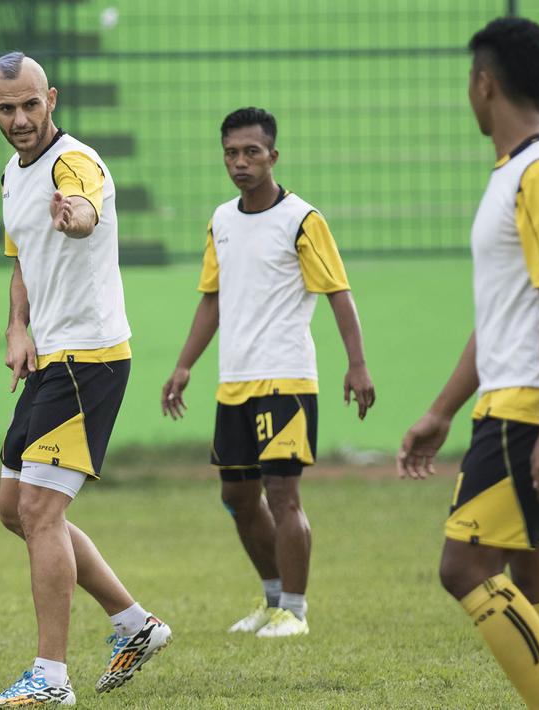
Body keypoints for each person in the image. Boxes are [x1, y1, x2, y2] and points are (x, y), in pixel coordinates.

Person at [396, 18, 539, 710]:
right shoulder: (519, 172)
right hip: (534, 398)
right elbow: (501, 320)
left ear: (481, 84)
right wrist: (440, 411)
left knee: (464, 567)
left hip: (528, 408)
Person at [0, 53, 171, 707]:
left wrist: (78, 217)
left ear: (51, 98)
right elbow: (21, 263)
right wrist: (16, 330)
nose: (20, 119)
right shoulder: (11, 173)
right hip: (49, 358)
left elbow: (86, 208)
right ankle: (133, 624)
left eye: (31, 104)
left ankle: (50, 677)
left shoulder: (74, 162)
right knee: (17, 512)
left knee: (39, 511)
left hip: (89, 359)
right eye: (7, 108)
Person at [161, 107, 375, 638]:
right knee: (237, 497)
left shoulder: (302, 219)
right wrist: (184, 364)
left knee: (282, 495)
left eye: (251, 152)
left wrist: (357, 364)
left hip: (286, 381)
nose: (240, 162)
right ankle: (273, 598)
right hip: (234, 383)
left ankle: (295, 612)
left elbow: (338, 294)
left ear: (272, 156)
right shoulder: (221, 221)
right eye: (231, 153)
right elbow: (211, 301)